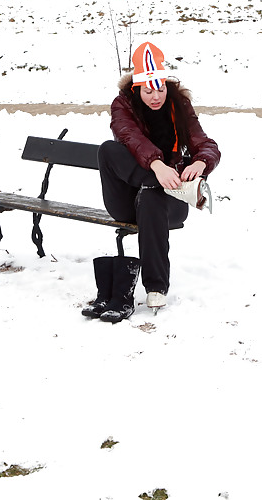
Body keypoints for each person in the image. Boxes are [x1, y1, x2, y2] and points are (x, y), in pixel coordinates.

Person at [84, 41, 220, 322]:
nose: (155, 96)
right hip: (127, 199)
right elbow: (129, 138)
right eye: (148, 90)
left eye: (160, 89)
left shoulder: (179, 104)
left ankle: (156, 286)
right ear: (137, 87)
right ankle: (156, 181)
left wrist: (200, 162)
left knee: (151, 195)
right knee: (107, 150)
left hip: (167, 200)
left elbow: (203, 142)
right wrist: (158, 167)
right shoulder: (123, 105)